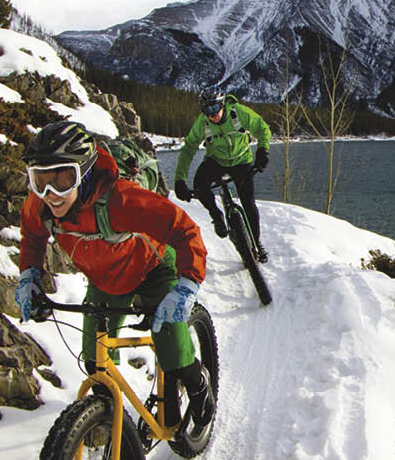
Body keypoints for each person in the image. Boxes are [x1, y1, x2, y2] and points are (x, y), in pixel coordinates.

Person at [15, 121, 214, 428]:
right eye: (40, 181)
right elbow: (32, 235)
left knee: (173, 350)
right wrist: (29, 276)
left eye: (63, 179)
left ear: (83, 173)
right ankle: (110, 424)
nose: (51, 194)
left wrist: (186, 285)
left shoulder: (121, 200)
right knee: (95, 363)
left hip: (154, 270)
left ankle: (197, 383)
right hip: (105, 281)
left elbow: (184, 229)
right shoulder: (39, 205)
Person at [173, 86, 272, 262]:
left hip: (241, 161)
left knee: (248, 203)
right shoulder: (202, 123)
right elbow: (188, 149)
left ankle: (257, 243)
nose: (212, 114)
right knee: (200, 186)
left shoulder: (239, 113)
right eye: (207, 110)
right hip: (216, 162)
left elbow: (263, 129)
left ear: (223, 104)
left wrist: (263, 151)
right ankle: (216, 215)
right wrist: (180, 180)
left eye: (215, 108)